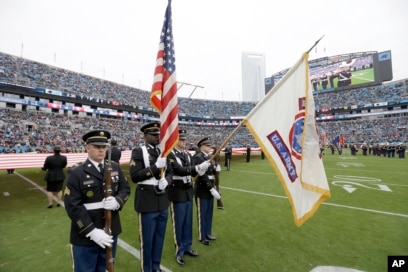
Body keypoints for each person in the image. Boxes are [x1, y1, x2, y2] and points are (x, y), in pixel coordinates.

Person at [64, 130, 130, 272]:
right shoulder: (76, 173)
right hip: (85, 234)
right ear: (87, 148)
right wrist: (92, 231)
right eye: (97, 146)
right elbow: (73, 206)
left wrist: (118, 201)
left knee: (105, 269)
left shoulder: (115, 167)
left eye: (104, 146)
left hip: (110, 228)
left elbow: (125, 189)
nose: (101, 149)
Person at [129, 122, 172, 272]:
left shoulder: (164, 151)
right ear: (145, 136)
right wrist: (155, 168)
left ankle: (155, 266)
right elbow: (134, 176)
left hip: (162, 201)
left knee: (159, 238)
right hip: (147, 202)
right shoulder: (139, 151)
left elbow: (170, 172)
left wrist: (167, 181)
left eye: (158, 134)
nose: (157, 137)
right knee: (147, 240)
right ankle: (146, 269)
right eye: (153, 135)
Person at [168, 129, 210, 267]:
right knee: (178, 223)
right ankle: (179, 251)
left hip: (187, 192)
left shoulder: (186, 155)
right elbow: (179, 170)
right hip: (177, 192)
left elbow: (192, 171)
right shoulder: (170, 154)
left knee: (187, 222)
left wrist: (200, 169)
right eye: (181, 139)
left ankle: (187, 246)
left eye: (185, 139)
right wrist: (197, 167)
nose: (184, 141)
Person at [193, 137, 221, 246]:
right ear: (202, 146)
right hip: (202, 189)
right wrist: (211, 188)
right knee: (202, 214)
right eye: (207, 146)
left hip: (210, 188)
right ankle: (202, 235)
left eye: (210, 146)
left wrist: (216, 168)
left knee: (209, 213)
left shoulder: (210, 157)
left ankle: (207, 232)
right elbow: (201, 175)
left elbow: (212, 172)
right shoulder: (198, 157)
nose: (210, 147)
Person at [213, 146, 224, 210]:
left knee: (216, 179)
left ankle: (217, 190)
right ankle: (217, 188)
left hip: (216, 167)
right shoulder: (217, 154)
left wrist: (214, 166)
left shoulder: (216, 154)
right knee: (217, 179)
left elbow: (216, 162)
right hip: (217, 166)